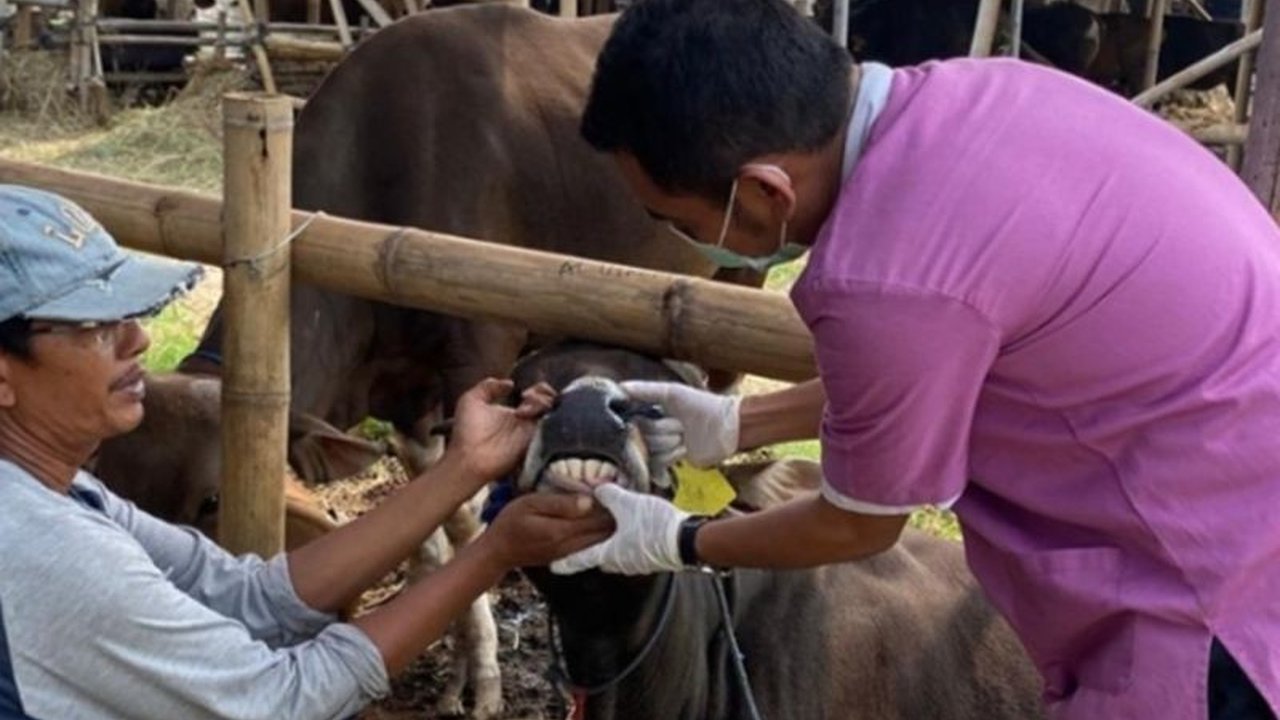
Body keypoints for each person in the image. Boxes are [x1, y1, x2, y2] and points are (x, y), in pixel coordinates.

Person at [550, 1, 1280, 718]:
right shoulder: (969, 96)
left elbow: (857, 525)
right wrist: (742, 423)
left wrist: (676, 538)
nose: (684, 239)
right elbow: (936, 367)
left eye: (680, 222)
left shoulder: (881, 278)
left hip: (1209, 589)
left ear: (765, 191)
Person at [0, 184, 612, 719]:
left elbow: (251, 596)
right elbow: (280, 701)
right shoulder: (45, 550)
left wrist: (462, 469)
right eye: (95, 325)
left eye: (129, 313)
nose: (140, 338)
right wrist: (491, 555)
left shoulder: (53, 488)